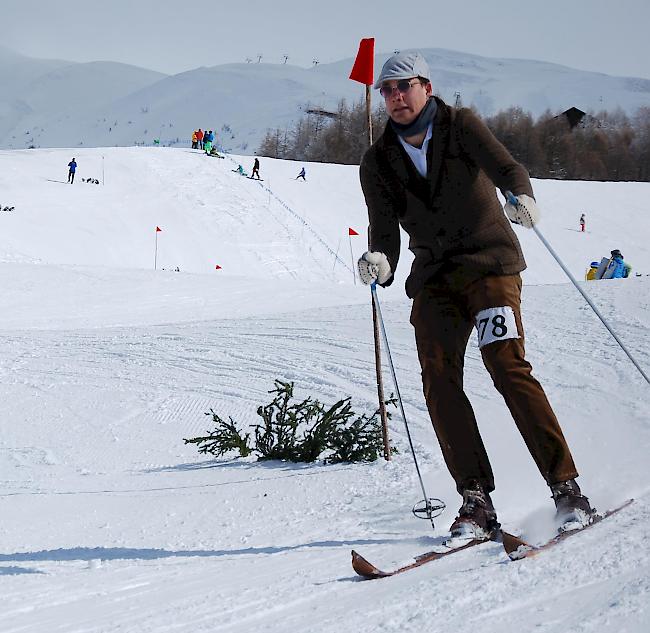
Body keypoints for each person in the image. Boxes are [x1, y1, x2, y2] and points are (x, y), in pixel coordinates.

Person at [357, 52, 593, 539]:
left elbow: (507, 168)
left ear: (426, 86)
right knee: (439, 381)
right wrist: (380, 262)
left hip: (490, 266)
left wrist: (522, 196)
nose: (396, 98)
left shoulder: (460, 125)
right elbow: (384, 233)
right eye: (387, 90)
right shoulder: (377, 161)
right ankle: (475, 500)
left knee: (505, 365)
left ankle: (566, 487)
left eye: (405, 87)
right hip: (436, 278)